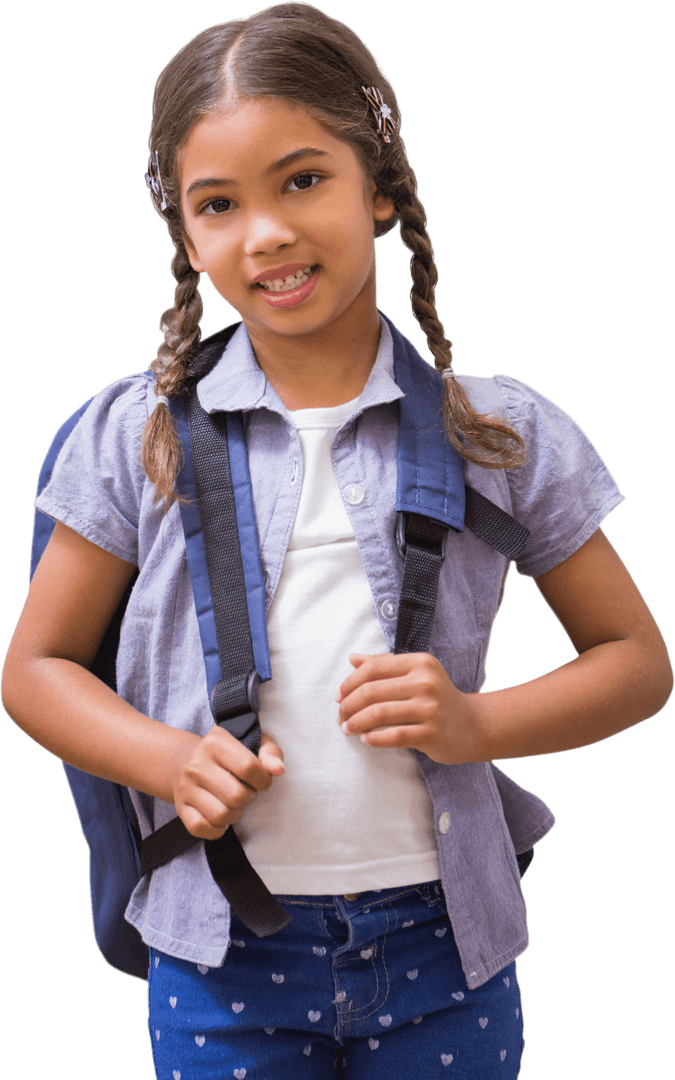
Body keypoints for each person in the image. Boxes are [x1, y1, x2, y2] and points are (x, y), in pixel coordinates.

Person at [2, 3, 671, 1078]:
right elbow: (33, 671)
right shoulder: (135, 436)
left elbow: (637, 665)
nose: (265, 231)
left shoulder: (497, 434)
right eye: (218, 203)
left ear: (385, 187)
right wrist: (170, 761)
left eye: (302, 180)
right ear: (183, 232)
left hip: (447, 948)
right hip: (222, 952)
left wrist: (473, 721)